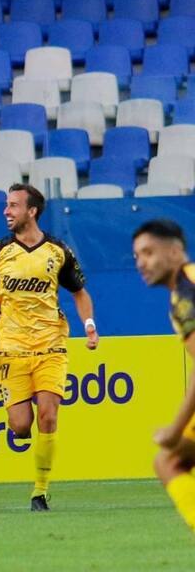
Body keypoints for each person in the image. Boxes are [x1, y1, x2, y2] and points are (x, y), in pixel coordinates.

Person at [0, 184, 99, 511]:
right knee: (20, 425)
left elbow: (80, 292)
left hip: (51, 345)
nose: (6, 211)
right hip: (11, 350)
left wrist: (90, 327)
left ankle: (40, 491)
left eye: (13, 206)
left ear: (32, 211)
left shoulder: (57, 251)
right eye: (6, 206)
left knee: (49, 416)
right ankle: (26, 436)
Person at [133, 219, 195, 534]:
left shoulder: (187, 293)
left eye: (148, 252)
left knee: (169, 458)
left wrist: (175, 428)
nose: (141, 263)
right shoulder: (182, 290)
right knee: (170, 461)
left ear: (174, 251)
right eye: (137, 257)